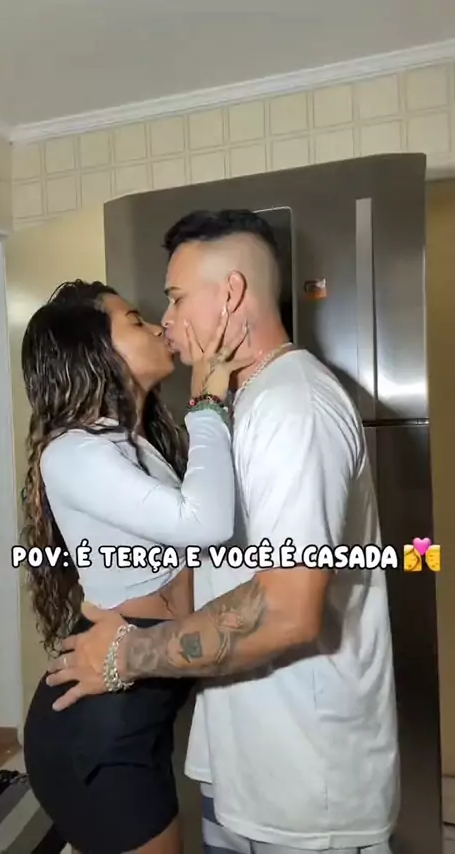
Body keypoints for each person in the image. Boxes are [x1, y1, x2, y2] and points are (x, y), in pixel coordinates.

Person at [47, 212, 399, 854]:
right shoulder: (245, 404)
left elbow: (286, 608)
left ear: (231, 294)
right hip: (249, 766)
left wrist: (126, 656)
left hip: (304, 790)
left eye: (176, 298)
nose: (167, 319)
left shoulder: (292, 406)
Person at [21, 278, 253, 854]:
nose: (156, 325)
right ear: (94, 351)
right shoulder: (72, 452)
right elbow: (205, 522)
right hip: (99, 725)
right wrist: (207, 401)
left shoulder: (136, 443)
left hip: (141, 703)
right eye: (134, 320)